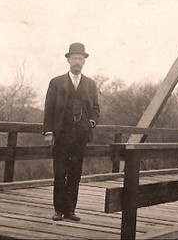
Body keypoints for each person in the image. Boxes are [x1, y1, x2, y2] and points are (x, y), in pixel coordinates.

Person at [43, 42, 100, 222]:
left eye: (80, 59)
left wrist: (91, 122)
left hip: (80, 136)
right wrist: (49, 132)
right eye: (74, 58)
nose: (77, 62)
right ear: (68, 60)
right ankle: (58, 210)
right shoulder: (56, 82)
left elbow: (96, 108)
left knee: (75, 172)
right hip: (61, 134)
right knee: (60, 172)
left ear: (84, 62)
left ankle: (70, 210)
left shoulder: (90, 84)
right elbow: (49, 109)